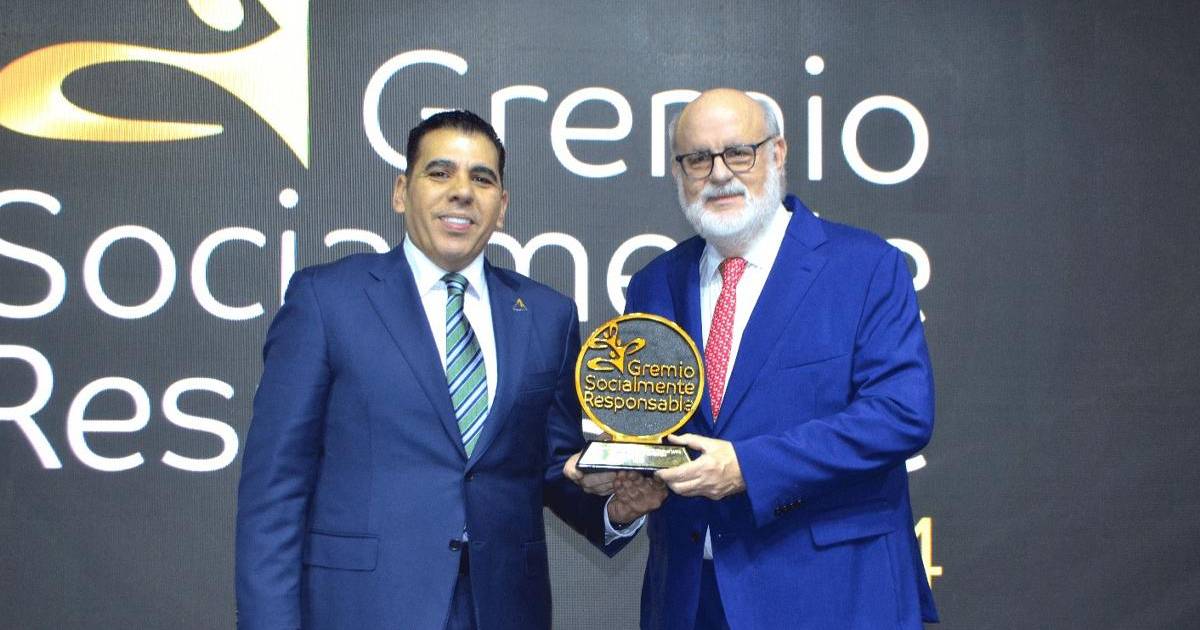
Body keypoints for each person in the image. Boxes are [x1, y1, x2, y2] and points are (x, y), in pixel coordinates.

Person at [235, 110, 647, 630]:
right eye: (440, 172)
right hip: (365, 608)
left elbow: (551, 467)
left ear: (502, 207)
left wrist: (616, 509)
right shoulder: (326, 300)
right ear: (401, 192)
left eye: (482, 179)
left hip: (504, 610)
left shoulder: (548, 316)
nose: (462, 192)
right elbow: (275, 492)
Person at [569, 88, 938, 629]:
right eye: (698, 158)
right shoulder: (655, 283)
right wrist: (622, 470)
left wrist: (749, 468)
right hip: (690, 601)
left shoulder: (865, 266)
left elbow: (900, 415)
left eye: (739, 153)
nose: (719, 174)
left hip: (834, 596)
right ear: (678, 172)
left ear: (778, 153)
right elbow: (655, 425)